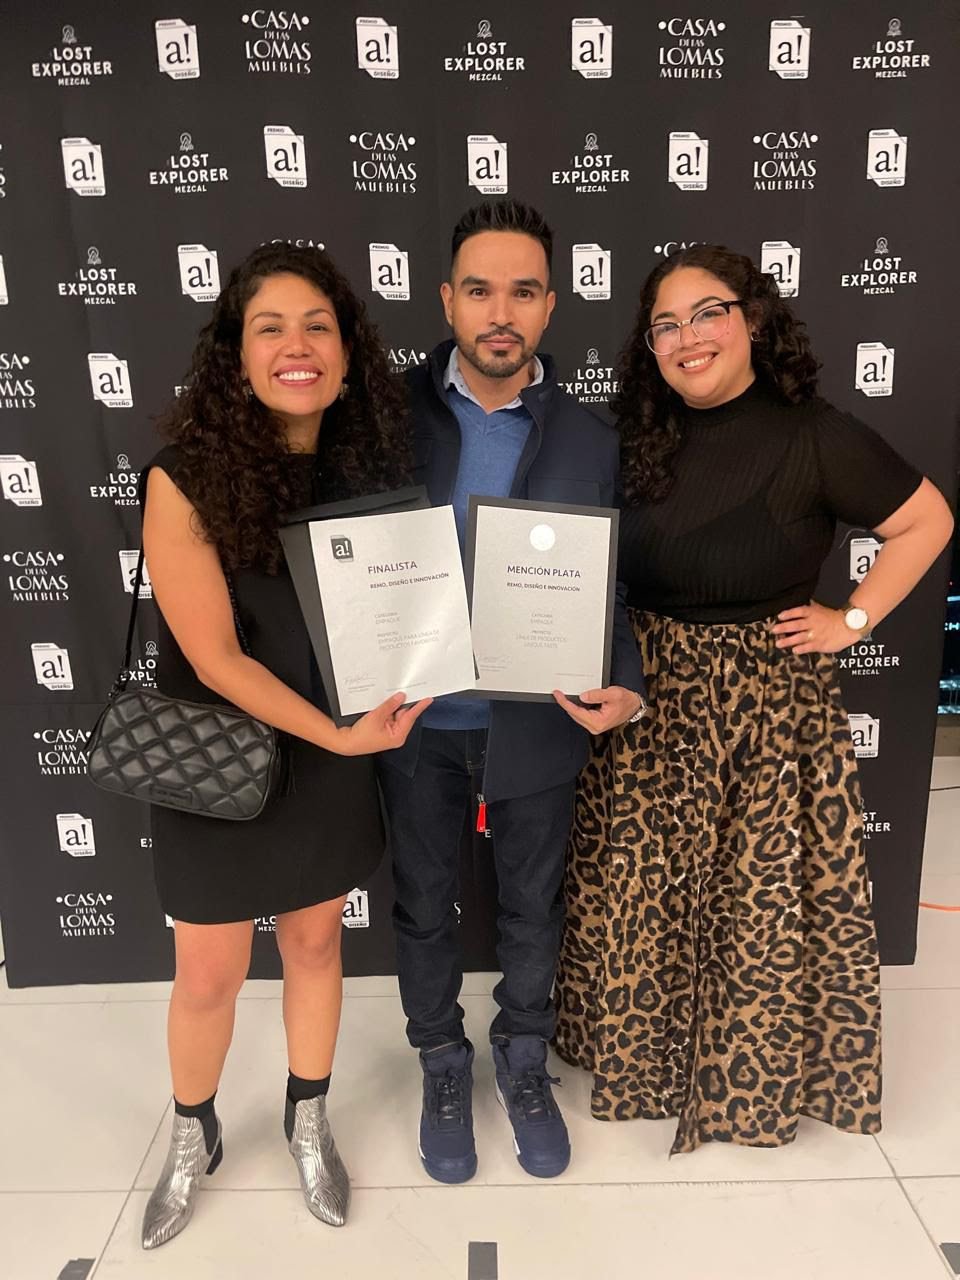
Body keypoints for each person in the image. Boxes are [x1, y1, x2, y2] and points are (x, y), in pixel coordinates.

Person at [553, 243, 954, 1155]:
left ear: (754, 320)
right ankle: (645, 1068)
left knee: (756, 905)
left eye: (708, 313)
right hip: (647, 707)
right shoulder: (632, 438)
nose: (686, 337)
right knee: (644, 895)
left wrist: (853, 618)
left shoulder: (816, 435)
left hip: (766, 714)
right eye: (664, 325)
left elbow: (927, 518)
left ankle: (752, 1085)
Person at [139, 244, 429, 1248]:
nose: (296, 346)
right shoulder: (184, 478)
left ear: (347, 352)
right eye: (270, 327)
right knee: (208, 976)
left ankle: (309, 1116)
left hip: (331, 752)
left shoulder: (365, 472)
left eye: (317, 325)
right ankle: (192, 1131)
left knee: (314, 944)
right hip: (219, 757)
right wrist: (340, 735)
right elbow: (216, 658)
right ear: (236, 352)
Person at [377, 199, 646, 1184]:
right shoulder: (382, 418)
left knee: (534, 907)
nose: (501, 313)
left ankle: (523, 1061)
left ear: (550, 305)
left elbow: (614, 585)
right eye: (480, 290)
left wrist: (626, 681)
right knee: (423, 908)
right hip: (413, 724)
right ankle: (441, 1064)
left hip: (537, 725)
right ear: (446, 300)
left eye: (523, 292)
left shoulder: (591, 438)